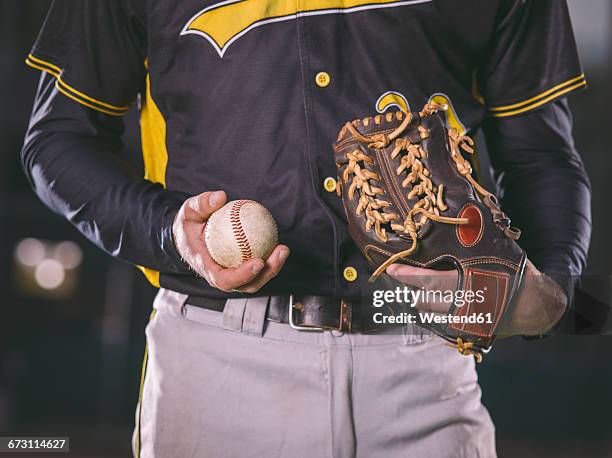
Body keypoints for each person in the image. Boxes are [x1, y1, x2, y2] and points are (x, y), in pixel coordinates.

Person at [22, 1, 591, 456]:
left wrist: (549, 296)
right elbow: (58, 139)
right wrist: (171, 231)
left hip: (423, 359)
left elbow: (542, 155)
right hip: (219, 365)